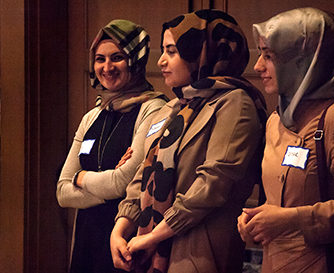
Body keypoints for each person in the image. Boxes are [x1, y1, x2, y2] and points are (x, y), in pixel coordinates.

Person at [110, 9, 267, 273]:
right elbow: (143, 174)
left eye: (172, 51)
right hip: (151, 247)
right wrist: (120, 228)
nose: (160, 61)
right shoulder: (175, 106)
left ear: (201, 54)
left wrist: (152, 237)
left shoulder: (235, 102)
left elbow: (212, 185)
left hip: (198, 250)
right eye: (163, 51)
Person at [237, 7, 334, 273]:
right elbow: (279, 201)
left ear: (304, 60)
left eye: (269, 56)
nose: (258, 66)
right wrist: (253, 220)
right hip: (274, 263)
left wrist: (292, 220)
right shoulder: (275, 120)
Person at [56, 19, 167, 273]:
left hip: (126, 242)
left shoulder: (154, 109)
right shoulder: (92, 116)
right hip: (86, 241)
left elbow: (125, 182)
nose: (107, 67)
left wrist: (81, 177)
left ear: (135, 61)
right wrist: (107, 185)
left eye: (117, 58)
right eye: (100, 59)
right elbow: (62, 192)